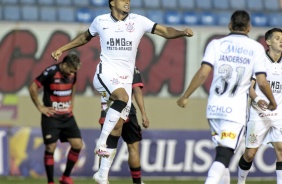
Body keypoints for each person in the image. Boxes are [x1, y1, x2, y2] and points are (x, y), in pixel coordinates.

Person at [51, 0, 193, 182]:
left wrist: (181, 33)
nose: (127, 2)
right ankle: (101, 141)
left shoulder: (138, 21)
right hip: (105, 74)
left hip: (125, 80)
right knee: (123, 99)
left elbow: (165, 31)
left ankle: (101, 175)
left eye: (129, 0)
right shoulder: (100, 21)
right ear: (112, 3)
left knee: (117, 126)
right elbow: (84, 37)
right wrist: (62, 48)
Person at [177, 10, 277, 184]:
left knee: (222, 155)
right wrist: (272, 101)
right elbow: (261, 81)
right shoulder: (255, 48)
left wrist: (185, 96)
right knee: (224, 156)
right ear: (249, 28)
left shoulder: (216, 44)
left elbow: (203, 73)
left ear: (230, 25)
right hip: (234, 113)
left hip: (214, 109)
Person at [29, 53, 83, 184]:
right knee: (50, 148)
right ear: (65, 65)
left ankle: (65, 177)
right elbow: (33, 87)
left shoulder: (72, 74)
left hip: (67, 116)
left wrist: (72, 104)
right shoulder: (51, 72)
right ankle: (50, 182)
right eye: (70, 70)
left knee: (77, 144)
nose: (72, 73)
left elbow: (73, 87)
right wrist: (40, 107)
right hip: (51, 117)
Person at [237, 28, 282, 184]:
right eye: (277, 38)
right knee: (250, 154)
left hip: (279, 114)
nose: (281, 41)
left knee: (281, 150)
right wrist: (257, 100)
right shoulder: (259, 61)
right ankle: (241, 181)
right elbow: (249, 87)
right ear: (268, 42)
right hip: (259, 113)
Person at [98, 67, 149, 184]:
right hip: (127, 109)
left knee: (105, 148)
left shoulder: (104, 66)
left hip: (109, 110)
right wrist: (144, 114)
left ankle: (102, 179)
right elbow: (137, 91)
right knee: (133, 148)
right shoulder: (131, 67)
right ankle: (137, 182)